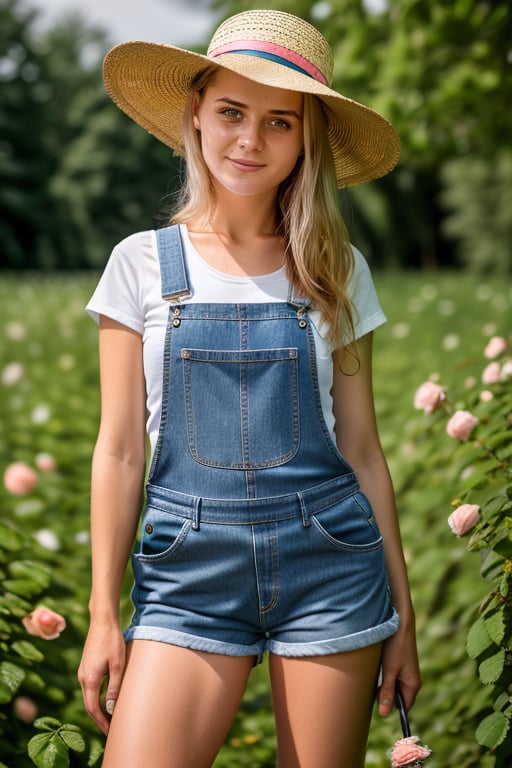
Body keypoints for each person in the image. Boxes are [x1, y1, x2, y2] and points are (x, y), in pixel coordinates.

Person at [78, 9, 420, 767]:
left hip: (331, 561)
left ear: (306, 140)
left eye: (279, 123)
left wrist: (404, 614)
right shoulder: (140, 264)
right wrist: (105, 614)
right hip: (187, 572)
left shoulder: (336, 269)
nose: (248, 141)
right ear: (196, 111)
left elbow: (362, 450)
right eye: (231, 112)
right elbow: (119, 451)